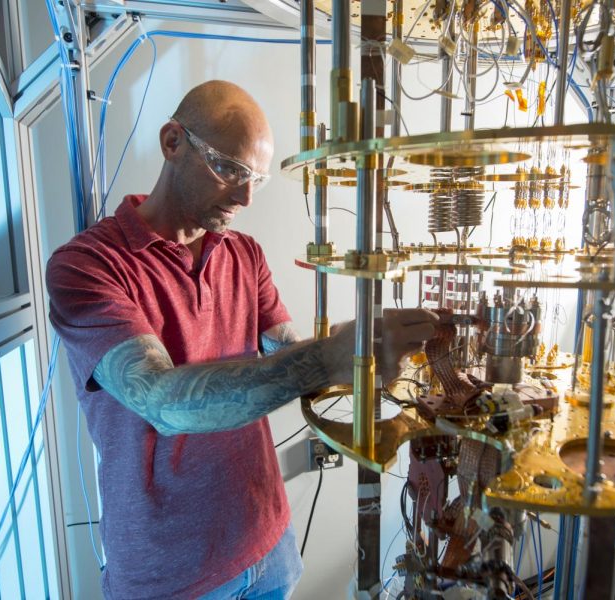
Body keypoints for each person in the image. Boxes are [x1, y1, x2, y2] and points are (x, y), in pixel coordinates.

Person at [46, 80, 437, 599]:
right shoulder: (88, 267)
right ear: (172, 142)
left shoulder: (243, 254)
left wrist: (373, 357)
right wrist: (328, 358)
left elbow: (288, 353)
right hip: (171, 573)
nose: (246, 196)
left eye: (257, 178)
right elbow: (161, 401)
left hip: (266, 540)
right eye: (229, 168)